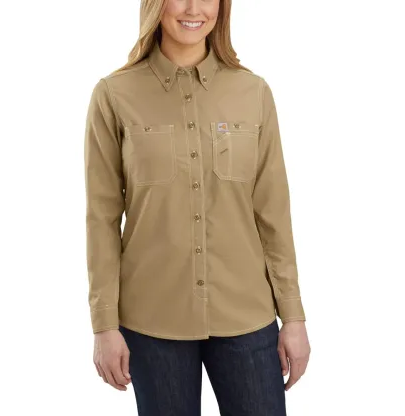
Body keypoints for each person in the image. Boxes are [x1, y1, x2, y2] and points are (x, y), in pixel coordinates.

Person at [83, 0, 311, 414]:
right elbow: (101, 219)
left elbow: (273, 215)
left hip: (246, 314)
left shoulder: (253, 93)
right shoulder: (114, 95)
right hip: (152, 320)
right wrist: (104, 324)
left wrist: (293, 316)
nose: (193, 8)